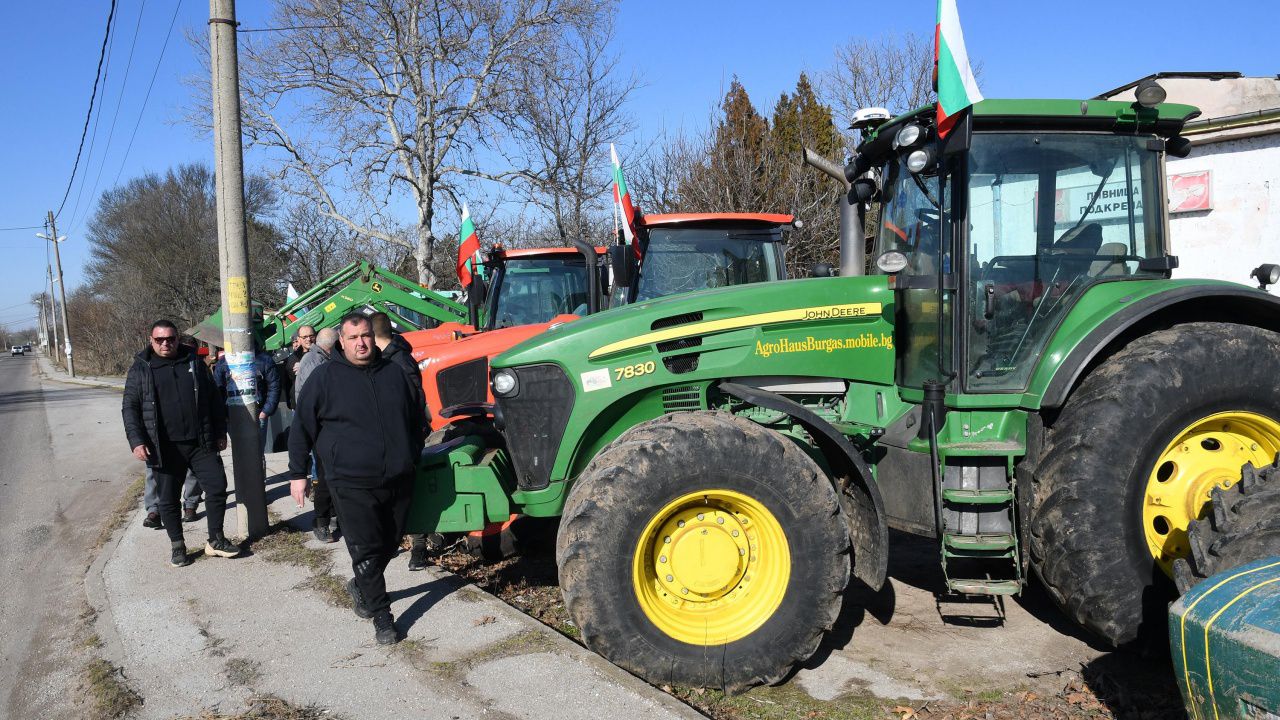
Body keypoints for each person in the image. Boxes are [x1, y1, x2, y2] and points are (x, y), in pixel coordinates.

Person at [288, 313, 426, 645]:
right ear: (342, 342)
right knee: (364, 549)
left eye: (365, 336)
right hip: (350, 481)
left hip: (398, 477)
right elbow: (301, 428)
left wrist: (412, 451)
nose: (361, 343)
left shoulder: (395, 373)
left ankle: (362, 584)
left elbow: (417, 416)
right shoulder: (323, 378)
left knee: (389, 544)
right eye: (353, 338)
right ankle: (382, 616)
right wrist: (297, 474)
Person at [122, 320, 242, 567]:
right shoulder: (141, 369)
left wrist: (220, 432)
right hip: (164, 447)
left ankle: (216, 540)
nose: (165, 343)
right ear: (151, 340)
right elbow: (130, 409)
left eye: (170, 339)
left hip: (200, 442)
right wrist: (136, 441)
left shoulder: (194, 362)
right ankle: (178, 546)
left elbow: (213, 400)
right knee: (167, 499)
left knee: (217, 486)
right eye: (159, 340)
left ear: (177, 339)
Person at [369, 312, 431, 571]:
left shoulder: (398, 362)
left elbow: (411, 403)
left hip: (404, 439)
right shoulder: (391, 358)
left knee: (410, 495)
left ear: (373, 336)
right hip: (395, 439)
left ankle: (418, 548)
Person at [295, 327, 339, 542]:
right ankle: (321, 521)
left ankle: (331, 516)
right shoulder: (316, 362)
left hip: (327, 428)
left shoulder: (316, 359)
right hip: (320, 429)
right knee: (325, 478)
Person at [213, 339, 281, 452]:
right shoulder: (223, 362)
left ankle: (258, 470)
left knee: (257, 452)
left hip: (258, 414)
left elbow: (274, 386)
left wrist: (265, 412)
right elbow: (217, 390)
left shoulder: (264, 360)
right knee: (239, 452)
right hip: (231, 416)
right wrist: (224, 415)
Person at [281, 325, 316, 409]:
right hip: (298, 405)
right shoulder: (291, 359)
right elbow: (287, 382)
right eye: (305, 337)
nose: (308, 339)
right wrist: (290, 402)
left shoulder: (323, 354)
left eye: (311, 336)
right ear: (299, 339)